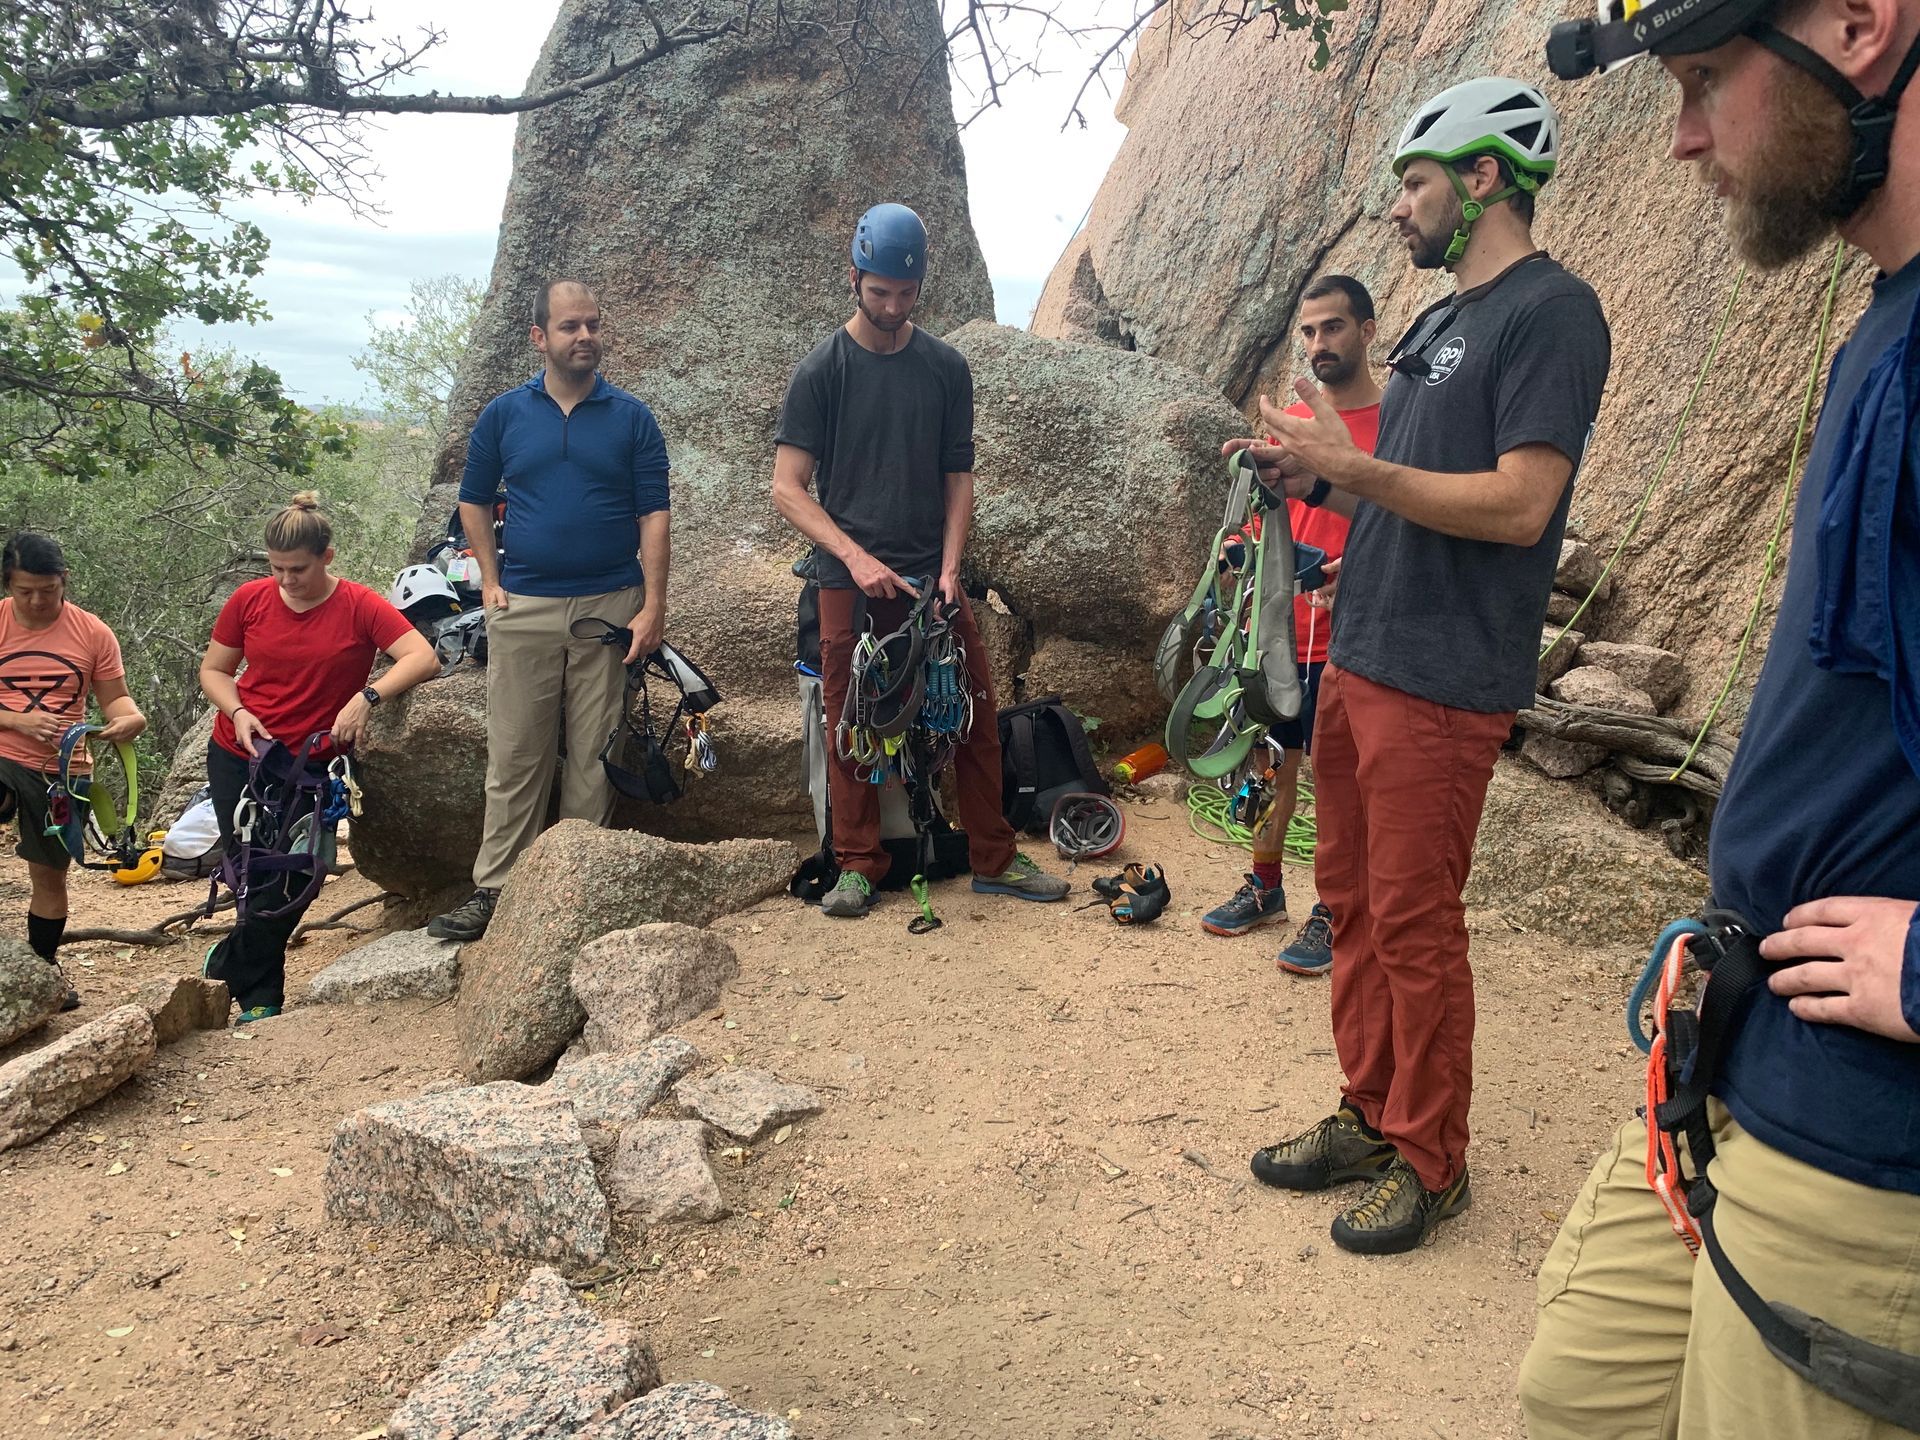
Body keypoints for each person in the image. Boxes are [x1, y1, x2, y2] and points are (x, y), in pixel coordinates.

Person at [1517, 2, 1920, 1434]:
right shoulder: (1888, 322)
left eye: (1702, 79)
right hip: (1733, 1049)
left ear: (1862, 28)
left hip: (1868, 1149)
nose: (1683, 136)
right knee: (1579, 1396)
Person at [1231, 78, 1612, 1255]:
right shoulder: (1439, 324)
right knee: (1349, 906)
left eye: (1416, 183)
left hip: (1443, 680)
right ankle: (1370, 1113)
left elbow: (1519, 503)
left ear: (1485, 178)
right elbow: (1412, 484)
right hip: (1364, 655)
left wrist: (1359, 474)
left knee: (1413, 924)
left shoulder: (1552, 314)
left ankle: (1432, 1161)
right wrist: (1317, 478)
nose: (1399, 209)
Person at [773, 202, 1070, 916]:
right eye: (880, 292)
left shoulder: (943, 368)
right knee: (852, 721)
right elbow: (788, 488)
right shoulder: (822, 370)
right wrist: (854, 555)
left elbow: (957, 476)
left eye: (906, 295)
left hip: (928, 575)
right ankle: (856, 864)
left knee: (972, 710)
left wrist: (948, 568)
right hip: (848, 578)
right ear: (855, 277)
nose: (893, 306)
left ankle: (994, 856)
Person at [429, 280, 672, 942]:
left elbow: (655, 513)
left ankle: (577, 891)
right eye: (570, 327)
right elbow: (474, 499)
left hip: (610, 604)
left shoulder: (632, 418)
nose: (585, 336)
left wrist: (653, 605)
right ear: (540, 337)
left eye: (593, 324)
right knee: (516, 754)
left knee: (594, 757)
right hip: (524, 605)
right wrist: (489, 577)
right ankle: (497, 890)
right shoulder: (506, 415)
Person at [1199, 275, 1382, 977]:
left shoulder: (1393, 425)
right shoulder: (1290, 427)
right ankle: (1265, 886)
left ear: (1367, 331)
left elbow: (1399, 521)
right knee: (1269, 765)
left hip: (1348, 636)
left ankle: (1335, 910)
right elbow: (1264, 519)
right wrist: (1237, 549)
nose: (1318, 344)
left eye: (1333, 328)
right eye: (1308, 332)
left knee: (1339, 784)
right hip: (1279, 633)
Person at [199, 495, 437, 1022]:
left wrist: (367, 696)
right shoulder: (249, 600)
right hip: (241, 752)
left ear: (327, 557)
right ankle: (262, 995)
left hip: (310, 764)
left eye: (298, 569)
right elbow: (214, 671)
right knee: (253, 867)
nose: (285, 580)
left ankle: (227, 965)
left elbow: (422, 656)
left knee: (302, 871)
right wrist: (236, 710)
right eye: (276, 568)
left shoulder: (358, 604)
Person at [0, 532, 145, 1010]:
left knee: (49, 875)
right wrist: (18, 719)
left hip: (62, 768)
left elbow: (114, 698)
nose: (37, 601)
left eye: (47, 589)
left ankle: (42, 970)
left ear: (64, 580)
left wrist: (130, 718)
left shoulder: (92, 632)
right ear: (9, 585)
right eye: (25, 591)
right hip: (5, 754)